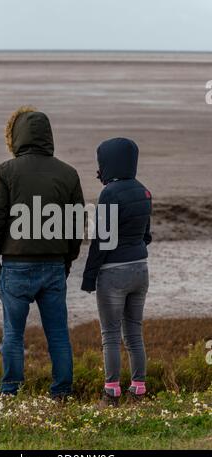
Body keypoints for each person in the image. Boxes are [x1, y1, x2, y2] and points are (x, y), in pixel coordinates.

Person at [0, 106, 84, 399]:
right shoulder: (68, 173)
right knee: (59, 335)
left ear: (15, 137)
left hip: (15, 266)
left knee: (13, 334)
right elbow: (76, 223)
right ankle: (62, 392)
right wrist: (67, 260)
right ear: (48, 136)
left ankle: (10, 392)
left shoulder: (6, 171)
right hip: (53, 266)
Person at [81, 137, 152, 406]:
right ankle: (139, 389)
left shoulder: (109, 194)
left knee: (110, 334)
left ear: (108, 163)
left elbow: (102, 240)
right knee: (134, 332)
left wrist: (89, 277)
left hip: (114, 273)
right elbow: (147, 236)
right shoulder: (145, 191)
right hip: (140, 269)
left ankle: (111, 393)